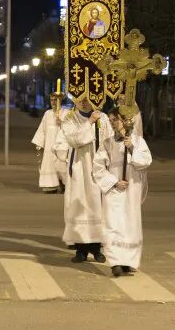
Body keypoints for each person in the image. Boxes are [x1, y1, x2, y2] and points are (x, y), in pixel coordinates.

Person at [93, 110, 153, 277]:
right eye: (111, 120)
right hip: (114, 189)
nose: (112, 123)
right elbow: (97, 167)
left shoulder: (137, 141)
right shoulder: (107, 143)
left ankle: (127, 262)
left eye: (115, 120)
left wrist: (132, 148)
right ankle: (115, 262)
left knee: (129, 224)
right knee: (113, 224)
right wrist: (113, 182)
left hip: (131, 189)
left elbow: (146, 161)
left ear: (125, 121)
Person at [59, 94, 111, 263]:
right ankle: (80, 250)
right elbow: (74, 140)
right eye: (79, 98)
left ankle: (97, 248)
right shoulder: (70, 118)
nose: (83, 102)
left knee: (98, 205)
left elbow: (109, 141)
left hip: (99, 167)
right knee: (79, 204)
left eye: (87, 98)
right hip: (80, 167)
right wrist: (89, 123)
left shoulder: (103, 118)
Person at [31, 97, 69, 193]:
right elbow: (42, 130)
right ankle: (50, 186)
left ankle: (64, 184)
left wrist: (62, 123)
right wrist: (39, 143)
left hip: (62, 145)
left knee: (62, 165)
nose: (53, 102)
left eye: (55, 100)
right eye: (51, 100)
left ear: (60, 100)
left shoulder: (67, 112)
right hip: (49, 145)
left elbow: (72, 127)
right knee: (49, 165)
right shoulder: (47, 114)